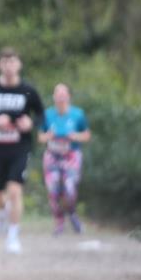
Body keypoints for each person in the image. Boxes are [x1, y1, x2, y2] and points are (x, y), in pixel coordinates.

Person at [0, 47, 44, 254]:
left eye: (12, 62)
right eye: (5, 62)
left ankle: (13, 236)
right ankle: (3, 212)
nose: (9, 66)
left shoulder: (28, 91)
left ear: (19, 64)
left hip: (20, 148)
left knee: (14, 190)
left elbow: (41, 115)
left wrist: (30, 123)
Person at [38, 83, 91, 236]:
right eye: (58, 94)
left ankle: (72, 213)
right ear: (54, 97)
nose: (61, 98)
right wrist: (48, 136)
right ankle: (59, 221)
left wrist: (75, 136)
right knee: (53, 190)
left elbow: (87, 135)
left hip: (71, 155)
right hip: (52, 155)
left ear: (69, 97)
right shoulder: (47, 114)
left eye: (63, 95)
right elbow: (40, 137)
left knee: (69, 188)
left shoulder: (78, 114)